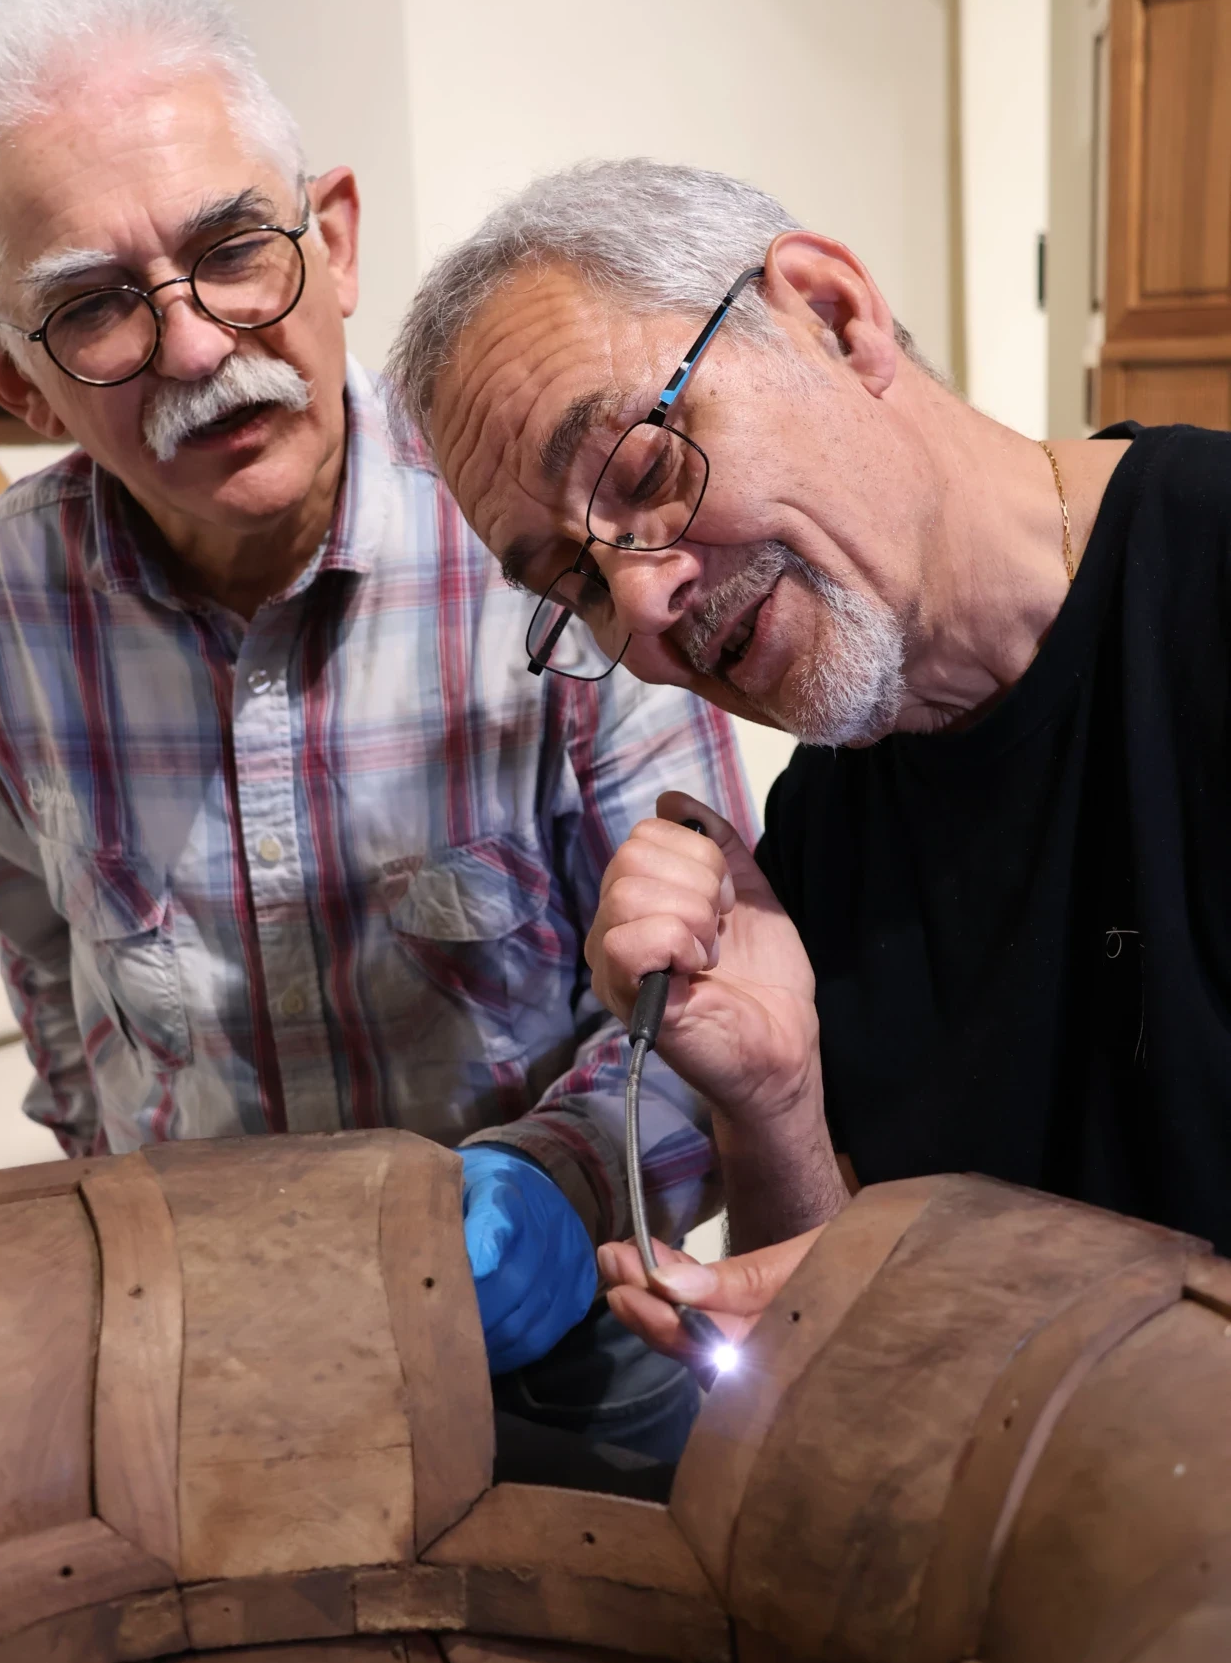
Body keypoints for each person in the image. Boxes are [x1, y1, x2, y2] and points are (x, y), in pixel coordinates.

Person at [0, 0, 754, 1460]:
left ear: (337, 241)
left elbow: (712, 1005)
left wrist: (558, 1190)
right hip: (214, 1361)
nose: (194, 347)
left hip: (572, 1356)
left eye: (236, 249)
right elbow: (54, 986)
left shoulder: (545, 539)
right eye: (93, 305)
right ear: (8, 379)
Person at [387, 153, 1231, 1317]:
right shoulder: (822, 829)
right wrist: (771, 1099)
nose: (639, 605)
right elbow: (837, 1362)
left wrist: (1000, 1294)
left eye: (644, 467)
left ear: (834, 315)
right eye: (576, 583)